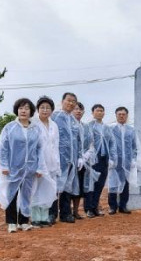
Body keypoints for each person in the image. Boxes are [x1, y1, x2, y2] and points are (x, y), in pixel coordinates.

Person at [0, 98, 50, 233]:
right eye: (20, 108)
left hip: (30, 168)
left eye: (26, 108)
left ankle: (24, 221)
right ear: (17, 110)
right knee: (11, 194)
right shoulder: (10, 127)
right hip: (13, 168)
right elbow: (3, 147)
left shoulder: (36, 129)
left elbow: (40, 149)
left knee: (26, 194)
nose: (23, 111)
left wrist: (40, 167)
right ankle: (11, 222)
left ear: (31, 111)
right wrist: (4, 166)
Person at [51, 93, 82, 223]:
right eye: (68, 100)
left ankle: (65, 213)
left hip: (71, 160)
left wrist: (80, 157)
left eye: (73, 101)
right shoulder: (55, 117)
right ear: (62, 101)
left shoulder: (75, 121)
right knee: (54, 187)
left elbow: (78, 141)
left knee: (67, 187)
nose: (71, 103)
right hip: (57, 159)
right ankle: (51, 214)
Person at [30, 96, 60, 226]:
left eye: (48, 108)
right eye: (42, 107)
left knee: (48, 190)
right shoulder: (33, 123)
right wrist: (36, 165)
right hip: (38, 163)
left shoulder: (54, 125)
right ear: (37, 109)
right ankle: (35, 217)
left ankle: (44, 216)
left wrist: (57, 164)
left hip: (52, 163)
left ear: (52, 110)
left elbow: (56, 145)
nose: (45, 110)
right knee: (36, 190)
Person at [86, 104, 117, 218]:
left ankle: (95, 207)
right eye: (97, 111)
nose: (100, 113)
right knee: (91, 184)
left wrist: (113, 158)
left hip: (104, 158)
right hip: (93, 159)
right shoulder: (89, 126)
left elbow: (112, 143)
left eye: (101, 111)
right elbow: (87, 141)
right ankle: (89, 208)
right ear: (93, 113)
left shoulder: (107, 128)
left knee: (100, 184)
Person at [108, 107, 141, 214]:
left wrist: (133, 159)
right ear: (116, 115)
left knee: (126, 184)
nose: (121, 116)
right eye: (119, 114)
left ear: (127, 116)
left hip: (126, 162)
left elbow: (134, 146)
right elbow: (108, 144)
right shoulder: (111, 129)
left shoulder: (131, 130)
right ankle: (112, 207)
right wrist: (110, 159)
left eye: (123, 114)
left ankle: (123, 206)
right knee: (113, 184)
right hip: (115, 162)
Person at [71, 102, 97, 219]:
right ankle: (64, 211)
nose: (78, 111)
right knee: (68, 188)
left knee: (80, 187)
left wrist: (84, 157)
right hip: (70, 161)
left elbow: (91, 144)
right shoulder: (68, 125)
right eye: (76, 109)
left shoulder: (86, 127)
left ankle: (75, 211)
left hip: (83, 163)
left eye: (80, 110)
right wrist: (75, 158)